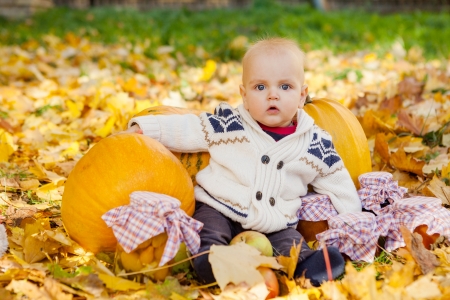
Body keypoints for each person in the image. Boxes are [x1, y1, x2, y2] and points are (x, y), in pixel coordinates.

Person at [125, 37, 362, 286]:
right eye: (260, 87)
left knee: (290, 244)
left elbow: (337, 178)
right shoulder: (230, 124)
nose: (272, 95)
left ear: (302, 95)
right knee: (207, 234)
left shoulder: (315, 142)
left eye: (285, 87)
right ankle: (212, 263)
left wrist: (353, 217)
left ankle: (309, 265)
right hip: (219, 207)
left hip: (275, 222)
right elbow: (190, 128)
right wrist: (146, 128)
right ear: (244, 95)